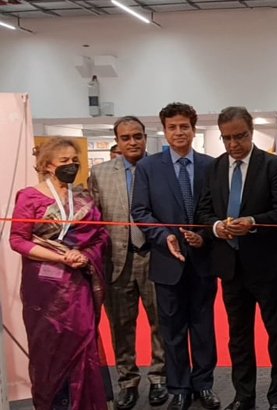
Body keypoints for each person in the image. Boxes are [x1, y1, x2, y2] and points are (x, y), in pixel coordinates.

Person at [196, 106, 277, 410]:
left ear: (251, 132)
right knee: (238, 337)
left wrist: (253, 222)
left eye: (239, 136)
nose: (233, 144)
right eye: (226, 138)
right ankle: (243, 396)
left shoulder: (273, 165)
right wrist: (217, 227)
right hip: (230, 267)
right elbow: (203, 212)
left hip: (269, 266)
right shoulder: (214, 168)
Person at [131, 102, 220, 410]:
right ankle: (179, 387)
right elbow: (140, 211)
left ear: (194, 130)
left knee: (204, 327)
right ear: (164, 131)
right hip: (167, 261)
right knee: (172, 329)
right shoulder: (148, 167)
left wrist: (205, 235)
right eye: (172, 127)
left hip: (203, 260)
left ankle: (204, 384)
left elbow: (217, 210)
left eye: (184, 126)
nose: (179, 132)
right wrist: (164, 236)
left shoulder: (211, 166)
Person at [9, 137, 109, 409]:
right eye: (64, 161)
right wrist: (61, 256)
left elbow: (100, 236)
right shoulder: (29, 196)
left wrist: (84, 256)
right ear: (47, 165)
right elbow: (18, 240)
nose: (71, 166)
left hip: (78, 283)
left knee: (83, 338)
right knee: (48, 345)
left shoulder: (83, 198)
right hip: (44, 288)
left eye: (75, 161)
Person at [89, 116, 168, 409]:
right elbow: (94, 218)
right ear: (117, 142)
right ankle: (128, 381)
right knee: (121, 326)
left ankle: (159, 378)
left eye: (137, 136)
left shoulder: (161, 168)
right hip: (116, 260)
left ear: (146, 137)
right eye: (126, 138)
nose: (132, 142)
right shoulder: (99, 174)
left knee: (161, 322)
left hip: (155, 257)